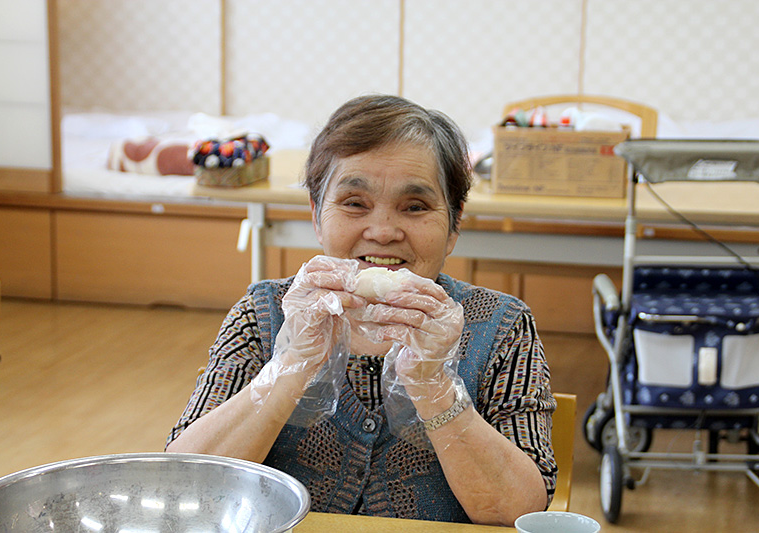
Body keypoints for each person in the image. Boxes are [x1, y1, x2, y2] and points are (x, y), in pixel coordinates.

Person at [166, 94, 556, 525]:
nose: (384, 231)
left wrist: (433, 384)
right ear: (316, 215)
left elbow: (518, 511)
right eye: (354, 203)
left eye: (415, 207)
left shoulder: (501, 325)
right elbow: (187, 486)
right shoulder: (264, 314)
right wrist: (293, 363)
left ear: (453, 226)